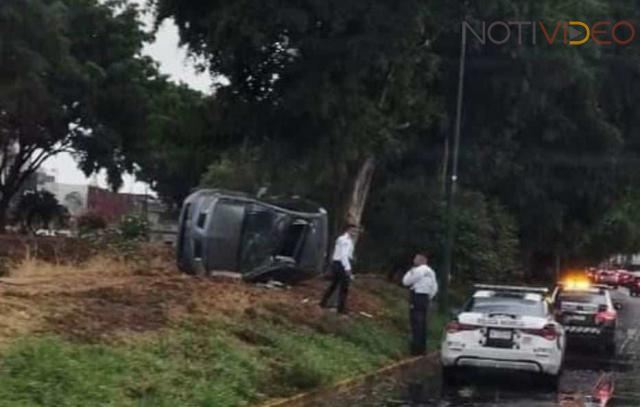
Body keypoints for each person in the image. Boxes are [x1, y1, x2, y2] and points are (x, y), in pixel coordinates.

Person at [402, 253, 438, 355]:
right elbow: (435, 287)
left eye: (416, 259)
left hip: (417, 296)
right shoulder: (431, 272)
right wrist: (429, 297)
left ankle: (415, 348)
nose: (414, 260)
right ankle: (422, 348)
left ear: (420, 260)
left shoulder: (418, 270)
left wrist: (410, 272)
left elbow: (406, 281)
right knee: (422, 322)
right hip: (425, 297)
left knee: (415, 322)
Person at [320, 224, 358, 314]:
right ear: (348, 230)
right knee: (344, 287)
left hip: (338, 263)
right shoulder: (345, 240)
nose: (355, 233)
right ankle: (341, 308)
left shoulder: (345, 240)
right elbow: (343, 255)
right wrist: (347, 268)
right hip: (341, 264)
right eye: (353, 231)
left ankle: (323, 302)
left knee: (334, 285)